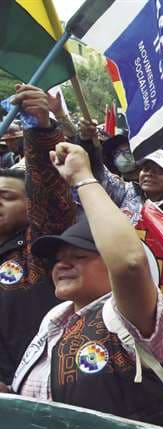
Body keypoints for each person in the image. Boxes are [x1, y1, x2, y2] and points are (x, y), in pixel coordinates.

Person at [6, 142, 163, 429]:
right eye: (58, 259)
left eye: (78, 257)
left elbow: (129, 263)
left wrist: (83, 178)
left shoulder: (134, 320)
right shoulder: (55, 319)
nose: (61, 265)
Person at [0, 85, 76, 388]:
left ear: (29, 206)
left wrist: (41, 129)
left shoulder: (38, 248)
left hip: (27, 394)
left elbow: (49, 194)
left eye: (5, 196)